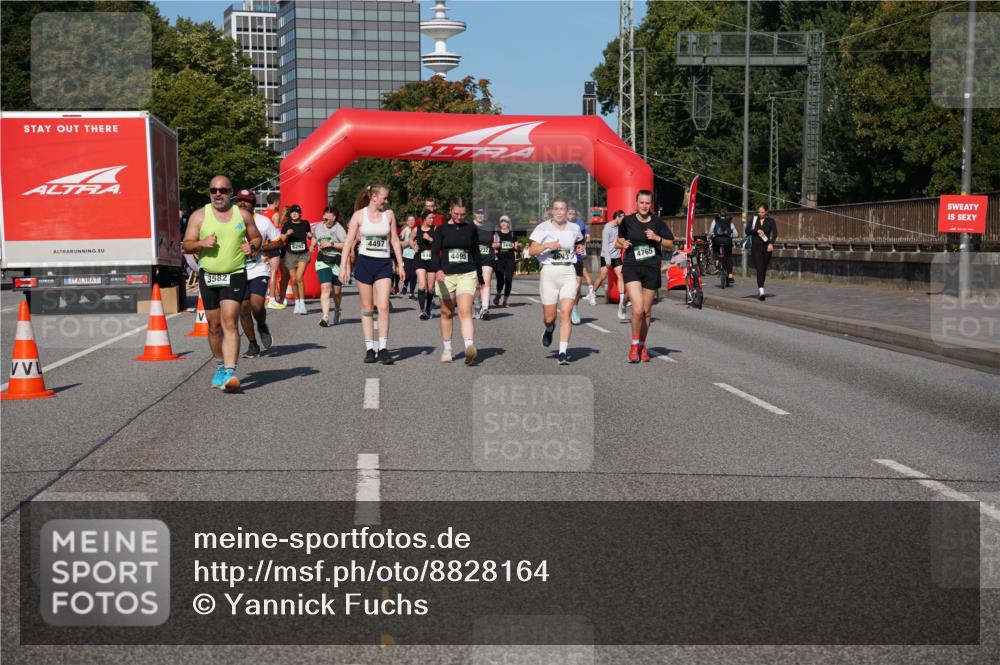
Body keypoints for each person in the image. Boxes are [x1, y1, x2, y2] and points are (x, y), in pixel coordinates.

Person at [182, 176, 262, 391]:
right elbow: (186, 245)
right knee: (214, 326)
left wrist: (252, 248)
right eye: (214, 190)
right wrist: (201, 243)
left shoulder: (243, 215)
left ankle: (230, 371)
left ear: (231, 192)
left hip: (235, 273)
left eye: (223, 190)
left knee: (229, 321)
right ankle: (219, 365)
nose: (218, 194)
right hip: (209, 275)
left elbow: (256, 238)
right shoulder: (199, 216)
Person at [340, 184, 405, 363]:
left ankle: (383, 348)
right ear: (374, 197)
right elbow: (348, 242)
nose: (386, 200)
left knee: (383, 306)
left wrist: (400, 263)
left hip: (383, 264)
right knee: (367, 307)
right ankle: (370, 348)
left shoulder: (388, 215)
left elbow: (394, 240)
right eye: (384, 197)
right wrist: (343, 267)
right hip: (364, 263)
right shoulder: (359, 216)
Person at [617, 190, 674, 363]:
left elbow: (670, 244)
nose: (644, 206)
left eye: (647, 203)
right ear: (636, 203)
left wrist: (657, 238)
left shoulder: (657, 222)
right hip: (632, 266)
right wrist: (623, 243)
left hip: (651, 267)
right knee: (638, 309)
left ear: (651, 205)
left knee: (647, 312)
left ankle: (642, 345)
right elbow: (617, 241)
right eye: (641, 202)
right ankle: (634, 346)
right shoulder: (627, 220)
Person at [528, 198, 584, 365]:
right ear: (552, 211)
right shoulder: (542, 227)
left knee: (566, 313)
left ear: (567, 211)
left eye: (563, 209)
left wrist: (581, 248)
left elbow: (579, 243)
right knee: (549, 318)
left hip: (568, 272)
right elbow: (531, 250)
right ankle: (549, 329)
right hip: (549, 274)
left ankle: (562, 352)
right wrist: (546, 246)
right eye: (556, 209)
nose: (560, 212)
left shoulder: (574, 228)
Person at [430, 197, 483, 364]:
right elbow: (434, 252)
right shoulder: (442, 229)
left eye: (463, 214)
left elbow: (476, 253)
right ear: (450, 211)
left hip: (467, 273)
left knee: (465, 311)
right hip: (446, 274)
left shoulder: (471, 229)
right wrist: (437, 270)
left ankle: (469, 349)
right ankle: (447, 350)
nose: (460, 217)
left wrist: (480, 277)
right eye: (456, 214)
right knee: (446, 312)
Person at [233, 189, 279, 358]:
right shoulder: (229, 221)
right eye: (240, 200)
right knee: (243, 309)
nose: (243, 204)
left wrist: (259, 247)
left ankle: (261, 324)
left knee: (256, 304)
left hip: (259, 268)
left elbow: (278, 242)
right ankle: (253, 345)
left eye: (247, 201)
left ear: (253, 203)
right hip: (237, 269)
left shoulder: (264, 221)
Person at [314, 206, 347, 326]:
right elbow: (314, 237)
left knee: (337, 292)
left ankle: (337, 310)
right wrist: (313, 244)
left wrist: (331, 243)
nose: (327, 222)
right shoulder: (318, 226)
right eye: (324, 219)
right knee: (325, 287)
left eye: (329, 220)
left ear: (334, 218)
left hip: (336, 262)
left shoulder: (339, 228)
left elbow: (346, 245)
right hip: (322, 260)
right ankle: (325, 317)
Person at [594, 209, 628, 319]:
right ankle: (593, 292)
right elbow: (605, 246)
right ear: (617, 217)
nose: (623, 220)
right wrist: (608, 260)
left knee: (620, 275)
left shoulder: (621, 227)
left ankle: (622, 299)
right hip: (606, 255)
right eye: (622, 218)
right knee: (603, 276)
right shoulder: (607, 228)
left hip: (616, 256)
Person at [567, 206, 594, 324]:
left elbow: (586, 237)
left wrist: (583, 243)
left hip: (577, 258)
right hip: (565, 259)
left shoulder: (580, 224)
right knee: (567, 287)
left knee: (577, 288)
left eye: (573, 213)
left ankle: (575, 309)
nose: (572, 215)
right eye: (570, 213)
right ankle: (566, 308)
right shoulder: (561, 224)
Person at [746, 203, 777, 300]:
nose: (760, 214)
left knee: (763, 269)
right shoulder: (754, 219)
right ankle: (762, 290)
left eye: (762, 212)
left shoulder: (771, 221)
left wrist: (771, 243)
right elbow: (747, 231)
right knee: (759, 268)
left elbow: (775, 233)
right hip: (756, 247)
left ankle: (760, 288)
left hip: (766, 247)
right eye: (759, 212)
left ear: (766, 212)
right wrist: (756, 231)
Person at [261, 193, 287, 309]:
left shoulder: (262, 214)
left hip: (264, 246)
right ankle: (272, 299)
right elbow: (276, 231)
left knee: (265, 272)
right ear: (276, 202)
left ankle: (266, 297)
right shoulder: (275, 214)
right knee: (274, 272)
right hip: (273, 245)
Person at [472, 207, 497, 320]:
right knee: (476, 285)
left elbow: (495, 238)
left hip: (488, 257)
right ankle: (477, 307)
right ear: (474, 214)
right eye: (478, 213)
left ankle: (485, 308)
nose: (480, 215)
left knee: (485, 283)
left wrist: (496, 244)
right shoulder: (469, 226)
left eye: (482, 213)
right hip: (474, 258)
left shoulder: (490, 225)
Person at [412, 213, 437, 320]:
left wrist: (430, 239)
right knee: (422, 284)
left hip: (432, 259)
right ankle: (422, 311)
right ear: (424, 219)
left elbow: (440, 243)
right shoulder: (416, 229)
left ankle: (428, 309)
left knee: (430, 288)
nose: (432, 220)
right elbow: (410, 240)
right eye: (430, 218)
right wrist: (414, 246)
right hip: (420, 258)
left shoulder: (435, 229)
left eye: (433, 218)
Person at [708, 208, 739, 286]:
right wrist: (730, 235)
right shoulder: (730, 222)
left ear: (719, 214)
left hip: (717, 241)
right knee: (728, 256)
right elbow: (736, 233)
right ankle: (730, 274)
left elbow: (711, 231)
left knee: (715, 251)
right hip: (727, 241)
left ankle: (717, 260)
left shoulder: (715, 221)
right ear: (726, 215)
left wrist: (710, 236)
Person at [493, 215, 518, 308]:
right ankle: (498, 294)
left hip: (510, 259)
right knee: (500, 281)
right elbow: (493, 246)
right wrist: (497, 245)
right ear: (500, 223)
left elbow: (516, 246)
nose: (504, 223)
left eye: (506, 222)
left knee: (509, 281)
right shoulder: (497, 234)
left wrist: (518, 246)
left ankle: (505, 301)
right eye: (502, 221)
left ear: (509, 223)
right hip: (500, 259)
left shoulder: (512, 234)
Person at [400, 214, 419, 298]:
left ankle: (411, 293)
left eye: (413, 220)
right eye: (409, 220)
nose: (411, 222)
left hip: (416, 255)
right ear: (407, 222)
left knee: (414, 274)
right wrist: (410, 241)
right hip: (407, 255)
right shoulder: (405, 230)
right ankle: (405, 284)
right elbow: (401, 244)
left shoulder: (418, 230)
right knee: (407, 274)